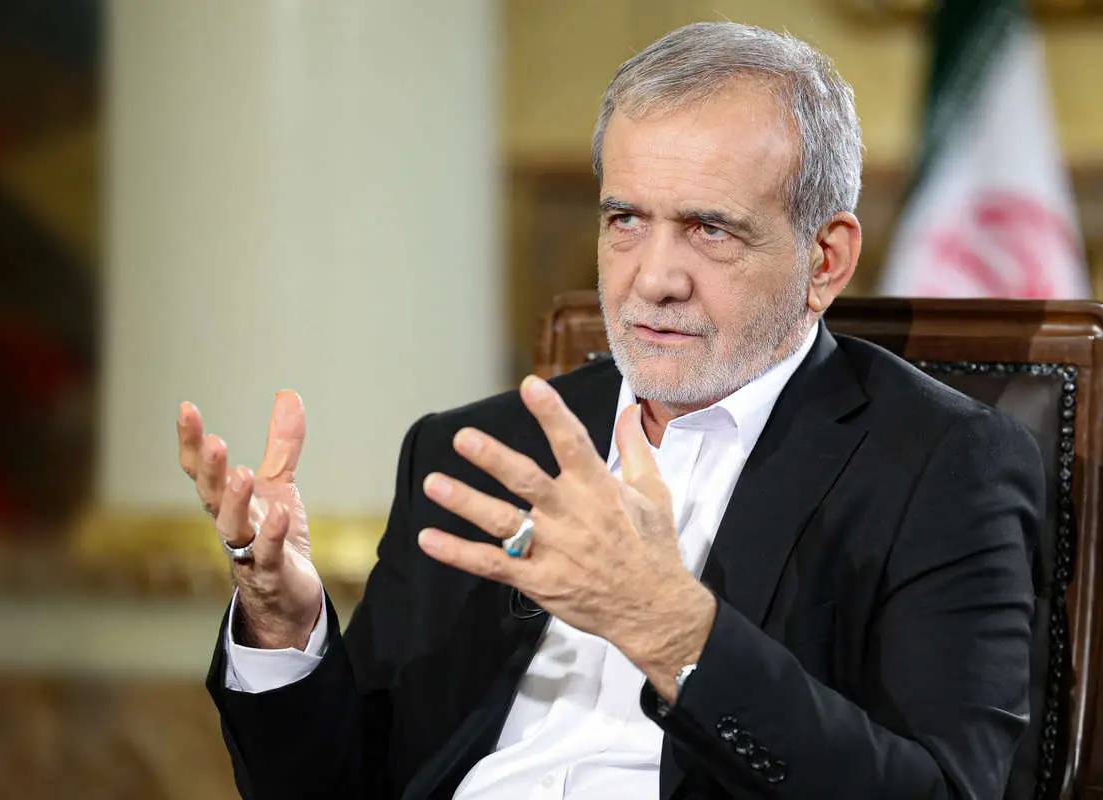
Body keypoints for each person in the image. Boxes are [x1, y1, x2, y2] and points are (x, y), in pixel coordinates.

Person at [177, 22, 1043, 800]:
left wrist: (671, 629)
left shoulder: (940, 466)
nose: (653, 278)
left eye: (709, 229)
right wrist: (282, 623)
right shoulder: (480, 452)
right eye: (626, 219)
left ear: (825, 259)